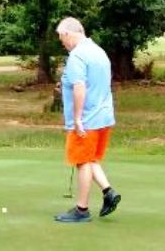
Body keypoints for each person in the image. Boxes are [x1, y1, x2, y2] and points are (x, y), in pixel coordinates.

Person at [54, 17, 121, 223]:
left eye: (61, 38)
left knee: (82, 161)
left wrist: (77, 119)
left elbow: (80, 87)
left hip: (87, 118)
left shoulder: (77, 55)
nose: (62, 43)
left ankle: (82, 210)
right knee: (90, 158)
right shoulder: (99, 51)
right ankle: (108, 192)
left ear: (68, 33)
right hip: (104, 116)